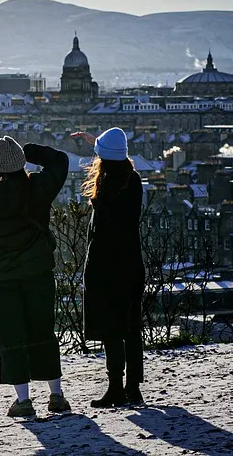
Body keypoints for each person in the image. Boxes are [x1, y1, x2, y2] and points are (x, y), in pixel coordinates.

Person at [0, 136, 71, 418]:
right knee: (43, 333)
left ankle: (23, 401)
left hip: (1, 281)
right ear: (21, 165)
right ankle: (56, 395)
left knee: (12, 338)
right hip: (38, 273)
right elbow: (60, 161)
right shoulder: (38, 188)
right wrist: (31, 151)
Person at [72, 127, 146, 407]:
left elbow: (100, 231)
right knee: (131, 325)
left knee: (112, 328)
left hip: (106, 264)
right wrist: (100, 144)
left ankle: (115, 386)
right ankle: (133, 388)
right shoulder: (133, 180)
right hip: (131, 262)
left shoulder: (106, 186)